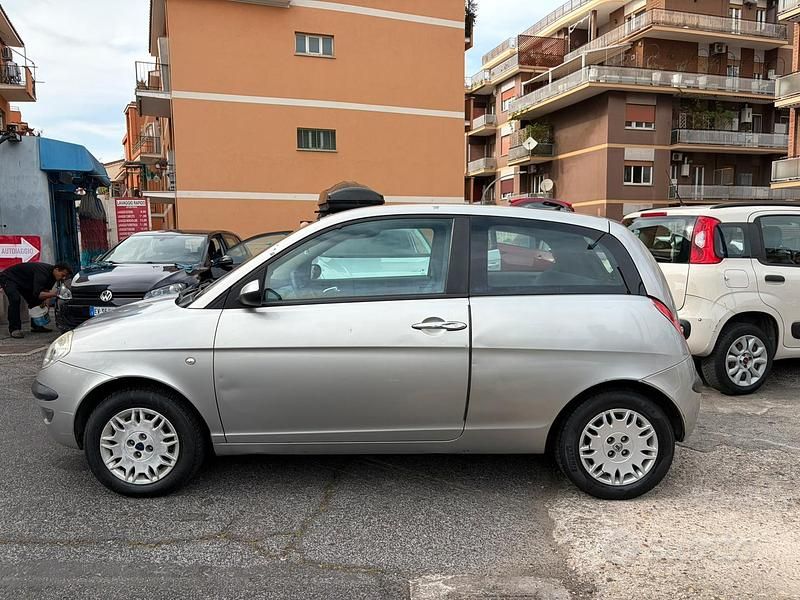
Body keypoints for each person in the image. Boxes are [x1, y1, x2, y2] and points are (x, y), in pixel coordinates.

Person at [0, 262, 72, 339]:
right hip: (9, 278)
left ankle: (36, 325)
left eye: (66, 276)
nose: (63, 278)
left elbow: (46, 291)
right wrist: (55, 294)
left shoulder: (53, 276)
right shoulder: (42, 273)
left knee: (35, 300)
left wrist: (46, 307)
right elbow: (38, 294)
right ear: (56, 269)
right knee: (15, 299)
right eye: (63, 275)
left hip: (24, 282)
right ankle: (14, 329)